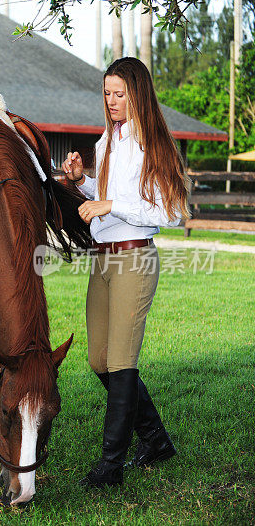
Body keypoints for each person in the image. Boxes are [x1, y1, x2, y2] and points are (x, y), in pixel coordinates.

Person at [61, 57, 188, 488]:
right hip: (104, 259)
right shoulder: (109, 140)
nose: (112, 102)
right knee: (100, 360)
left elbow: (172, 211)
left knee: (120, 362)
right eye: (107, 93)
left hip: (135, 258)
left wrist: (110, 205)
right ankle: (155, 440)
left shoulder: (156, 143)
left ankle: (110, 466)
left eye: (120, 94)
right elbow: (108, 192)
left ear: (137, 94)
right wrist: (83, 182)